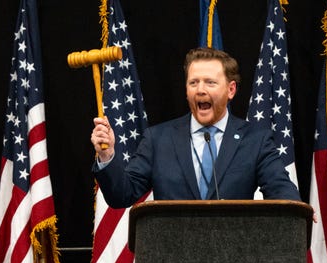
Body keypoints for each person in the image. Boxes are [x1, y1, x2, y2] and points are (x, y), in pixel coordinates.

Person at [90, 47, 302, 206]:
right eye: (193, 83)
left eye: (210, 82)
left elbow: (281, 191)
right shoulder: (158, 139)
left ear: (231, 90)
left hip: (234, 259)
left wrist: (296, 210)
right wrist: (107, 155)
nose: (200, 90)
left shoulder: (256, 140)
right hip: (172, 258)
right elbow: (122, 195)